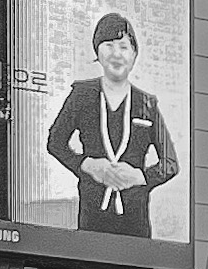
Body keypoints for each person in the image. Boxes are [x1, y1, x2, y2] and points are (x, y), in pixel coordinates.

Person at [42, 12, 180, 240]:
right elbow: (55, 142)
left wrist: (140, 176)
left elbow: (171, 164)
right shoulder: (82, 95)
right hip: (92, 219)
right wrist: (88, 165)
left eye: (124, 47)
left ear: (134, 54)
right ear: (97, 51)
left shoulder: (147, 103)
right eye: (109, 45)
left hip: (135, 223)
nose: (116, 54)